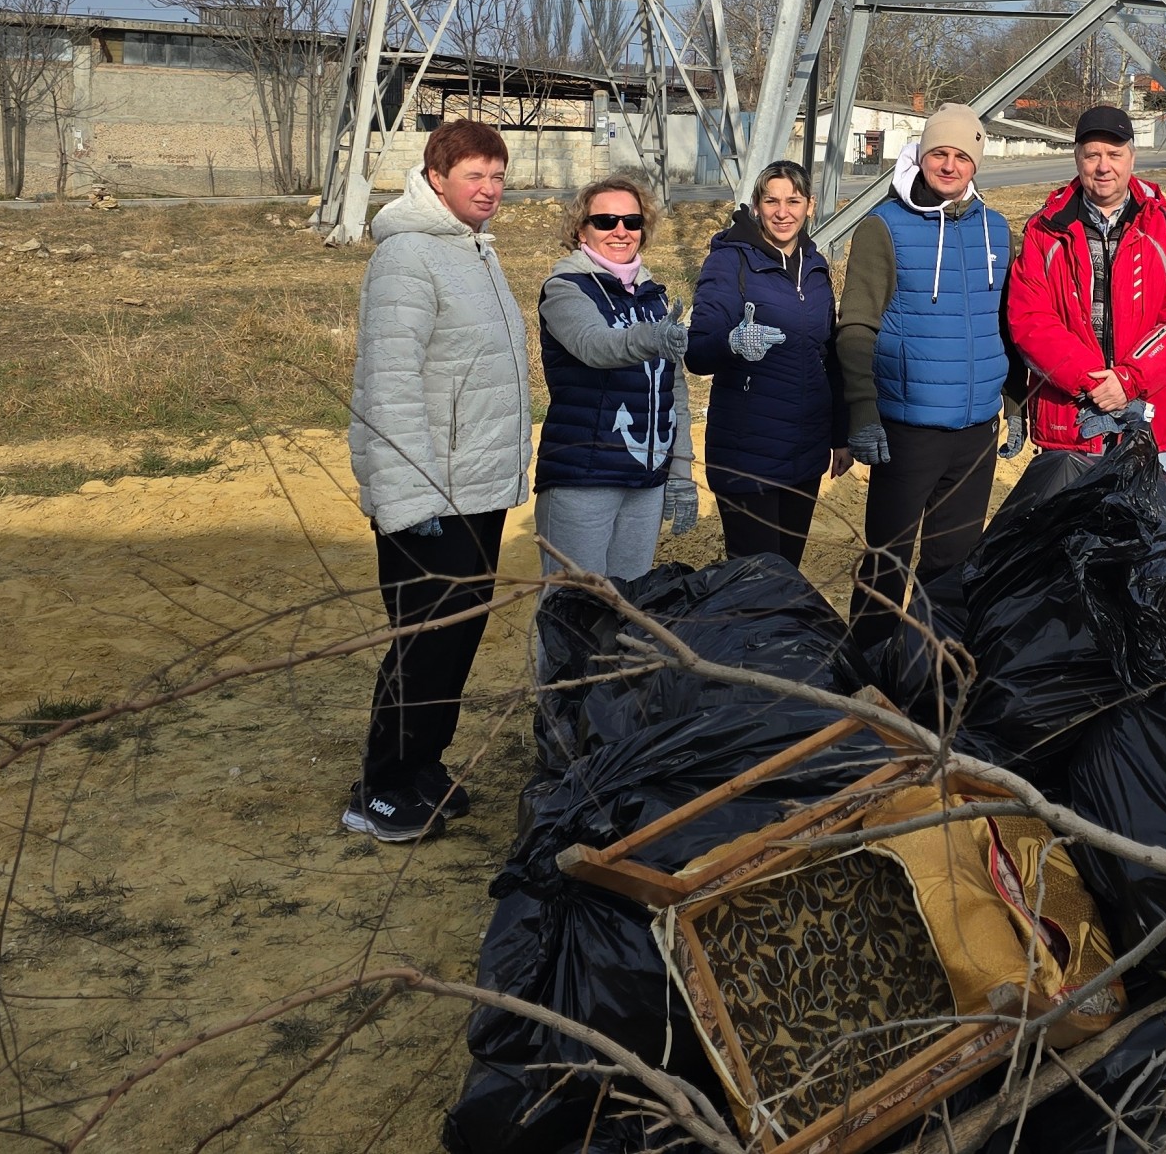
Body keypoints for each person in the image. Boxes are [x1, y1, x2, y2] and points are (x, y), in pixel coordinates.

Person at [344, 119, 528, 843]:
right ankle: (381, 787)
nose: (489, 190)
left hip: (476, 487)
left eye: (497, 176)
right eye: (475, 176)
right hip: (431, 495)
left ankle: (423, 764)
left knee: (457, 637)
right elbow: (388, 390)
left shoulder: (474, 251)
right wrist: (409, 497)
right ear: (436, 176)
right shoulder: (409, 258)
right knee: (423, 642)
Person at [836, 102, 1025, 646]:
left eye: (961, 156)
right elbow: (856, 327)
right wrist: (863, 412)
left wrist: (1013, 401)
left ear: (975, 164)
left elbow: (1007, 323)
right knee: (887, 557)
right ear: (921, 156)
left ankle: (934, 670)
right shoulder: (884, 227)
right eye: (938, 153)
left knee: (954, 561)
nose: (949, 165)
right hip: (906, 426)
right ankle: (866, 665)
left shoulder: (995, 228)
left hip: (974, 431)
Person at [1006, 103, 1166, 473]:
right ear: (1077, 159)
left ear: (1131, 158)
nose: (1104, 166)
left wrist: (1129, 380)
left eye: (1115, 154)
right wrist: (1091, 382)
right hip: (1070, 420)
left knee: (1145, 527)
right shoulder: (1043, 231)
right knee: (1069, 528)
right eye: (1092, 155)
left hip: (1146, 421)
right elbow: (1030, 320)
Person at [685, 160, 852, 563]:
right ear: (756, 206)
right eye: (771, 200)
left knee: (787, 573)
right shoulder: (730, 262)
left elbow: (827, 356)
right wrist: (733, 342)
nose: (783, 212)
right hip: (748, 453)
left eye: (793, 201)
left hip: (805, 452)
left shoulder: (814, 267)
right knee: (754, 580)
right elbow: (697, 351)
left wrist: (840, 436)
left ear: (810, 205)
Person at [533, 173, 696, 583]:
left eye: (632, 222)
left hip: (645, 478)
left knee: (629, 605)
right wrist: (651, 336)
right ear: (580, 230)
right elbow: (595, 345)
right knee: (574, 609)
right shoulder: (565, 289)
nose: (620, 231)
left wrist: (679, 472)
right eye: (605, 221)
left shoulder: (652, 296)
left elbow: (672, 388)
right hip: (584, 477)